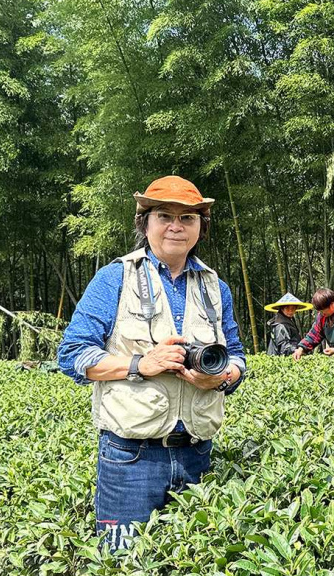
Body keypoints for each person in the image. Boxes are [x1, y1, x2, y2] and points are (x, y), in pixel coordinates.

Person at [57, 175, 246, 550]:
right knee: (123, 563)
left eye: (188, 218)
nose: (177, 226)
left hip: (197, 452)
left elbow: (237, 355)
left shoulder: (216, 287)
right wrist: (140, 364)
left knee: (192, 564)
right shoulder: (114, 278)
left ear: (200, 228)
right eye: (165, 216)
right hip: (130, 458)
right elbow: (72, 354)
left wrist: (224, 377)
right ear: (145, 224)